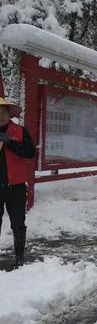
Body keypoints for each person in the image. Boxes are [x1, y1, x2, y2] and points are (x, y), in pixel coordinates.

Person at [0, 98, 36, 268]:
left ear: (9, 113)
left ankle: (19, 258)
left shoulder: (20, 131)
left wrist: (9, 143)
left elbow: (30, 153)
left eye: (3, 111)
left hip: (16, 186)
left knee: (18, 224)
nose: (0, 115)